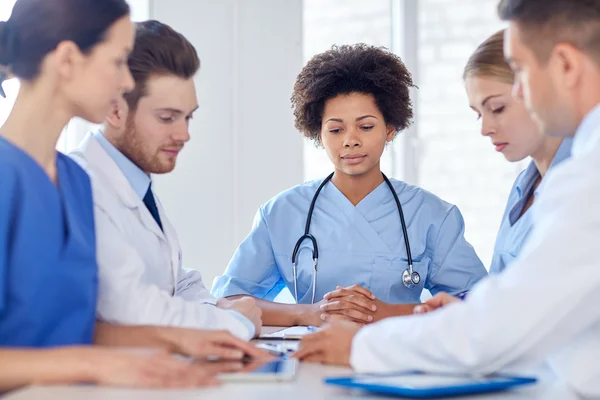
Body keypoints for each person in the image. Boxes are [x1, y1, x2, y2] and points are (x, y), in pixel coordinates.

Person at [294, 0, 600, 396]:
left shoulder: (588, 178)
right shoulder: (555, 177)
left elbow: (504, 325)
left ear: (565, 65)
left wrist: (360, 346)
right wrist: (470, 316)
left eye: (520, 73)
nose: (520, 89)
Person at [0, 0, 266, 391]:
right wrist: (94, 364)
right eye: (118, 60)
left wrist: (181, 339)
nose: (126, 82)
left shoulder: (73, 180)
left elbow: (76, 327)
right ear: (69, 59)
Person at [212, 43, 487, 327]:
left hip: (399, 359)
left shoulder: (431, 215)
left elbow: (479, 305)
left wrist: (383, 313)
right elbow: (227, 301)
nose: (350, 140)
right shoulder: (281, 214)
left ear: (390, 128)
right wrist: (309, 313)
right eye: (335, 129)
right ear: (318, 133)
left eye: (366, 127)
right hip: (310, 358)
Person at [69, 20, 262, 340]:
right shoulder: (82, 184)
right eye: (167, 118)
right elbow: (128, 307)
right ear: (115, 111)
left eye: (188, 117)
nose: (184, 134)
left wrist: (219, 311)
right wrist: (234, 324)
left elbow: (178, 282)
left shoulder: (135, 182)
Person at [414, 29, 572, 314]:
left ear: (536, 88)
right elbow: (511, 296)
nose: (485, 128)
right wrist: (464, 309)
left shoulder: (581, 181)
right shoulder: (525, 188)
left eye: (497, 108)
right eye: (478, 113)